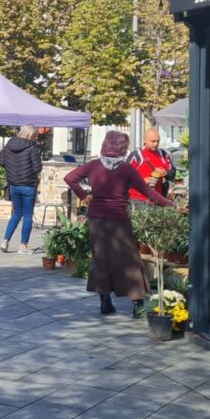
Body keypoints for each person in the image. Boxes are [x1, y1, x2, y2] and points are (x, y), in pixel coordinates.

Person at [65, 131, 175, 317]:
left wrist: (84, 196)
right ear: (122, 148)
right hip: (119, 220)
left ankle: (105, 302)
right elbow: (149, 192)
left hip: (97, 220)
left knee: (101, 259)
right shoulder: (126, 169)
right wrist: (172, 205)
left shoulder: (93, 166)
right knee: (130, 259)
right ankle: (137, 304)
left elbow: (69, 178)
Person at [0, 125, 42, 255]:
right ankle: (23, 246)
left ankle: (5, 241)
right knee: (27, 216)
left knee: (16, 214)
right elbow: (37, 169)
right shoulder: (32, 148)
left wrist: (12, 168)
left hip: (14, 185)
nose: (36, 137)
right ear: (30, 135)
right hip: (28, 185)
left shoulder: (9, 144)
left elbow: (1, 162)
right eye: (35, 135)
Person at [127, 128, 177, 201]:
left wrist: (166, 173)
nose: (156, 144)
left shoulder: (163, 154)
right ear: (145, 140)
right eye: (153, 141)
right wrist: (142, 181)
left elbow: (172, 174)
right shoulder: (136, 155)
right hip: (138, 199)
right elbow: (124, 178)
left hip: (157, 199)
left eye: (158, 141)